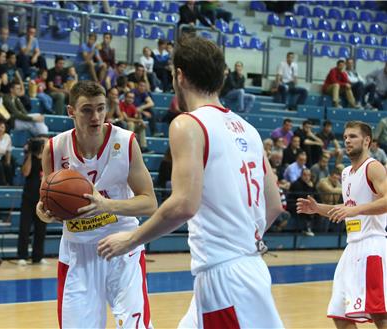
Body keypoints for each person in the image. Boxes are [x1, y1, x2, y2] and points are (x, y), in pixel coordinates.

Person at [97, 35, 284, 329]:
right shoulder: (249, 130)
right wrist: (244, 241)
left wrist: (131, 240)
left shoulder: (188, 124)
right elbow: (274, 205)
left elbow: (184, 204)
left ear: (180, 76)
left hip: (224, 278)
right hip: (249, 267)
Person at [35, 81, 157, 328]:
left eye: (101, 108)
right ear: (71, 111)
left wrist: (106, 205)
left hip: (122, 245)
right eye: (87, 110)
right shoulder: (54, 148)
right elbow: (43, 206)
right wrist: (45, 213)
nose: (96, 116)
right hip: (77, 251)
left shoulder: (125, 142)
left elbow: (149, 203)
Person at [297, 121, 387, 327]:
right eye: (345, 136)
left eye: (353, 136)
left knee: (379, 314)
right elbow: (347, 209)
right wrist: (318, 208)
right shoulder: (346, 173)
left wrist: (354, 209)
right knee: (339, 313)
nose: (347, 140)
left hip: (371, 246)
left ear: (367, 141)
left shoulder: (373, 167)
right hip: (352, 248)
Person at [17, 137, 47, 265]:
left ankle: (38, 256)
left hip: (42, 199)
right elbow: (25, 172)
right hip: (28, 197)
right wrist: (29, 153)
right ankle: (22, 256)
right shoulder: (30, 158)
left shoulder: (47, 160)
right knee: (25, 228)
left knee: (41, 229)